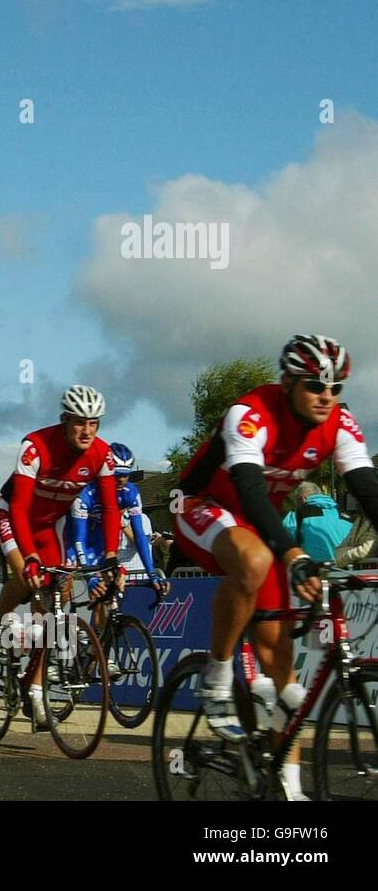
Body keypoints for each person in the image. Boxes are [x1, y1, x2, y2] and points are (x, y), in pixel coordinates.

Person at [173, 334, 378, 801]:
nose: (326, 396)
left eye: (335, 388)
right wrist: (295, 555)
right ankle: (217, 676)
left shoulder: (339, 424)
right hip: (201, 506)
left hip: (258, 525)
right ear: (287, 382)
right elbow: (249, 493)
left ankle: (288, 786)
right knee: (255, 558)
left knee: (284, 680)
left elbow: (368, 491)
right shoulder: (250, 414)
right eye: (314, 385)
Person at [0, 385, 120, 728]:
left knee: (55, 602)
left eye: (94, 423)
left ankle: (34, 688)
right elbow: (19, 506)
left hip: (51, 524)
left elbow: (110, 507)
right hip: (15, 518)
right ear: (65, 420)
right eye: (80, 422)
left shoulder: (102, 454)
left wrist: (110, 556)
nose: (87, 430)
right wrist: (30, 556)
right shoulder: (35, 447)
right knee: (26, 577)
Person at [64, 443, 168, 676]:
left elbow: (140, 536)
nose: (121, 481)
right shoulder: (86, 494)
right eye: (116, 476)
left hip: (102, 545)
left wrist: (152, 571)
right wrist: (89, 576)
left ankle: (95, 647)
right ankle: (55, 647)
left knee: (110, 591)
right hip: (77, 540)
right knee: (70, 587)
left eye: (126, 475)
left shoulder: (131, 492)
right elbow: (78, 538)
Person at [281, 482, 351, 563]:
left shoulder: (296, 515)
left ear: (302, 499)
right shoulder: (343, 514)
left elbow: (284, 542)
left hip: (316, 570)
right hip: (349, 568)